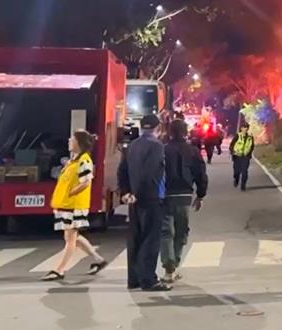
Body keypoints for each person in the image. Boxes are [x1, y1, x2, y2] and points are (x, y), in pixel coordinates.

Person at [41, 130, 108, 282]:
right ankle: (98, 259)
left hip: (74, 205)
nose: (69, 141)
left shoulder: (84, 160)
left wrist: (72, 192)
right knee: (74, 237)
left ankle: (60, 270)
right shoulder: (73, 161)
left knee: (70, 239)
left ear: (80, 143)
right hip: (66, 204)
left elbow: (86, 181)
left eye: (72, 139)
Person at [118, 114, 171, 291]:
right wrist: (138, 193)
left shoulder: (132, 145)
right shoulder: (157, 146)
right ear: (158, 128)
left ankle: (133, 279)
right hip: (150, 197)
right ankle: (148, 279)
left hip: (134, 200)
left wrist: (126, 192)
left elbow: (122, 170)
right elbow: (149, 174)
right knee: (150, 238)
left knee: (135, 239)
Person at [160, 119, 207, 284]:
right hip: (184, 196)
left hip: (165, 196)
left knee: (166, 232)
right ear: (186, 132)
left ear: (169, 132)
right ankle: (175, 262)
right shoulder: (193, 151)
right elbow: (201, 174)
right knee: (181, 231)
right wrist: (200, 195)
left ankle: (168, 267)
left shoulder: (163, 150)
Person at [231, 122, 256, 190]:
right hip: (237, 156)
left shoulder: (250, 137)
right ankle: (236, 180)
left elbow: (252, 146)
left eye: (246, 127)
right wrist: (232, 152)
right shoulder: (237, 136)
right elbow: (232, 145)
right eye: (244, 127)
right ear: (241, 128)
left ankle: (243, 185)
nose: (245, 129)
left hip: (245, 156)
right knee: (237, 172)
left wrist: (249, 153)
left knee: (244, 171)